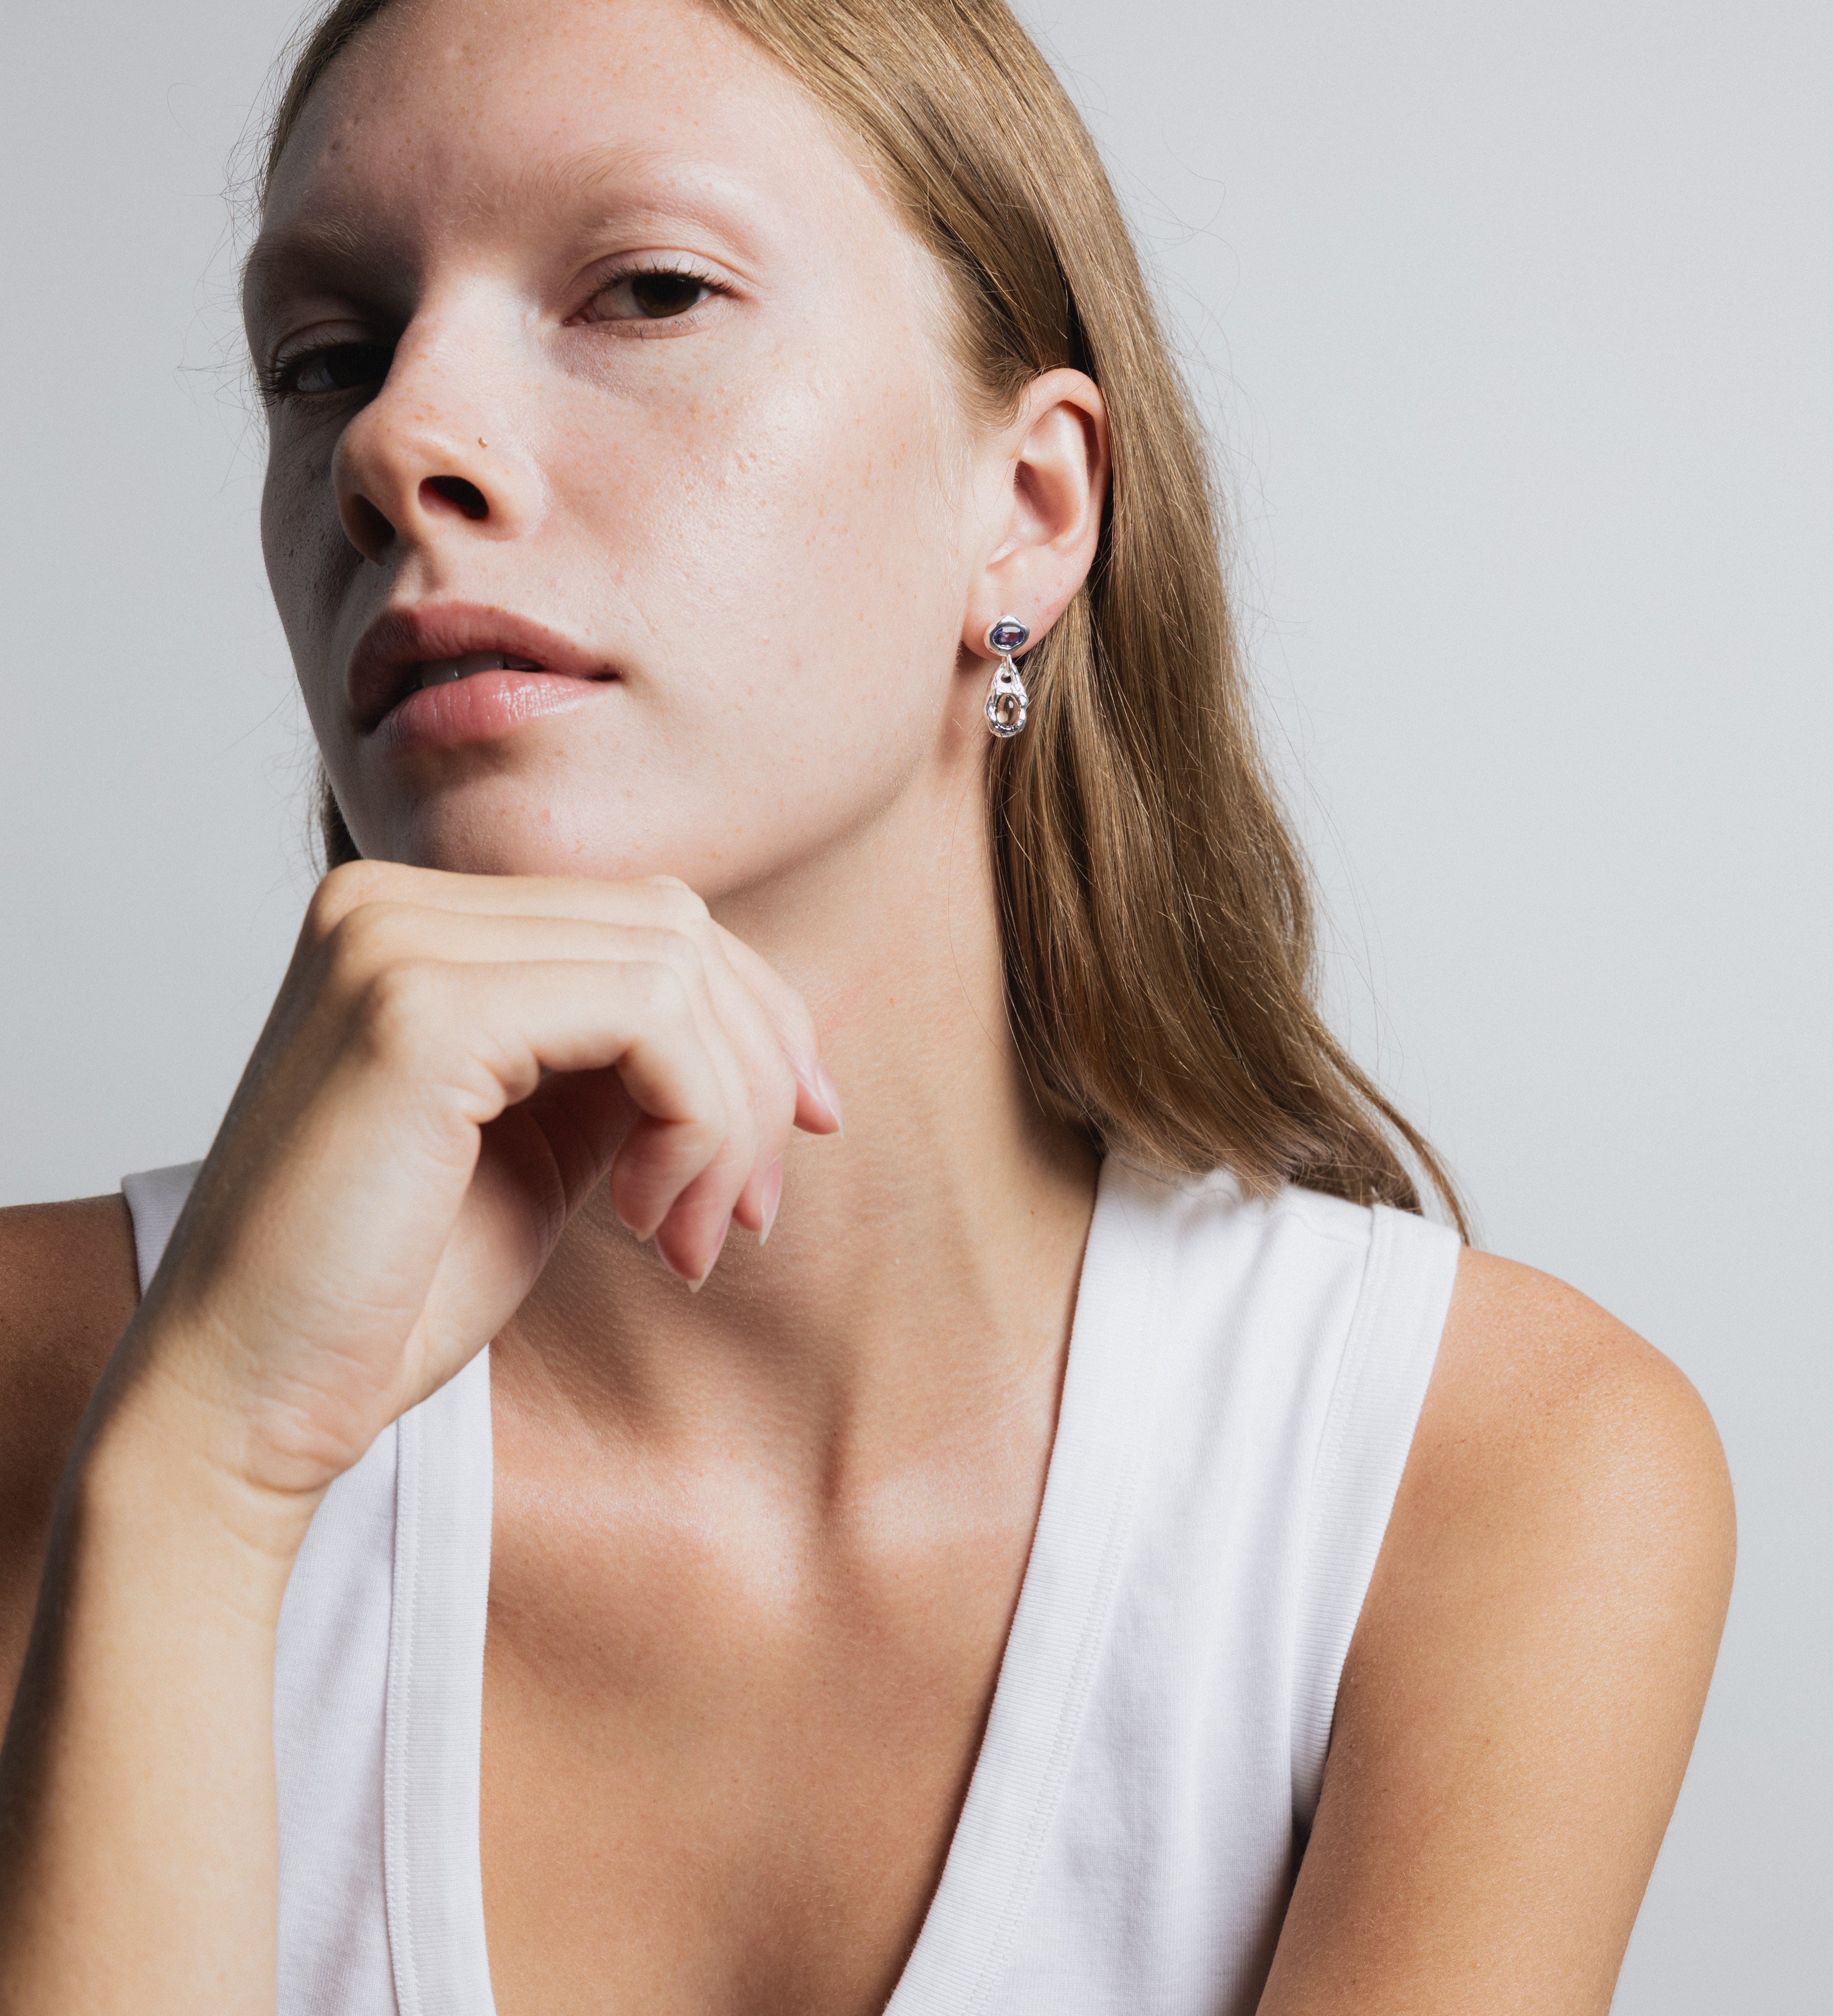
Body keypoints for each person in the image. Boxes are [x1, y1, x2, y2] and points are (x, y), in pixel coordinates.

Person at [0, 0, 1735, 2010]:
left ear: (1031, 507)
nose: (394, 444)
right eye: (323, 358)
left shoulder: (1476, 1481)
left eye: (649, 290)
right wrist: (199, 1478)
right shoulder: (44, 1395)